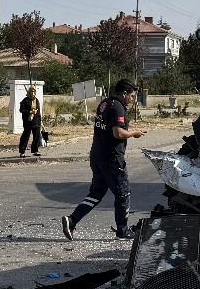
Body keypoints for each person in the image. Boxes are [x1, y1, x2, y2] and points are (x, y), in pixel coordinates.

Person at [62, 79, 143, 242]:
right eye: (132, 96)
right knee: (123, 193)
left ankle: (72, 220)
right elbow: (118, 133)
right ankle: (122, 231)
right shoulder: (118, 107)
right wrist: (134, 133)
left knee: (96, 193)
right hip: (112, 158)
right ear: (124, 94)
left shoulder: (105, 103)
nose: (132, 99)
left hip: (97, 155)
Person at [18, 84, 43, 157]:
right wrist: (30, 112)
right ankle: (22, 152)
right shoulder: (25, 101)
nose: (33, 93)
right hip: (28, 122)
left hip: (36, 121)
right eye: (32, 92)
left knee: (36, 137)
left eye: (34, 92)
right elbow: (21, 110)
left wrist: (40, 121)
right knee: (25, 137)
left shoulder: (36, 100)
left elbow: (38, 111)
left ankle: (35, 150)